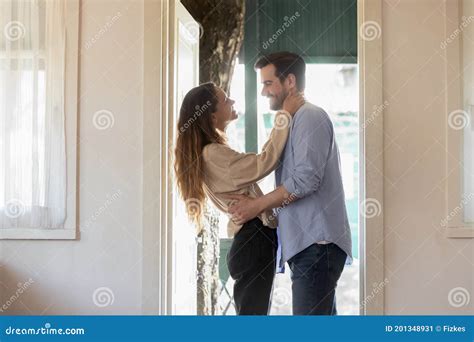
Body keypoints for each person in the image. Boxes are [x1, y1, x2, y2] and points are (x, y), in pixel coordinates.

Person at [228, 52, 353, 315]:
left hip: (317, 246)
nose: (263, 92)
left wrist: (256, 206)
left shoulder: (309, 117)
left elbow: (305, 180)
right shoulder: (293, 120)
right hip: (309, 247)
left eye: (268, 83)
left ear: (290, 82)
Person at [174, 82, 304, 315]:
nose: (232, 102)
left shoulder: (209, 153)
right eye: (226, 100)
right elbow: (264, 161)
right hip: (253, 241)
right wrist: (284, 115)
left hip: (250, 241)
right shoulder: (213, 154)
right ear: (212, 116)